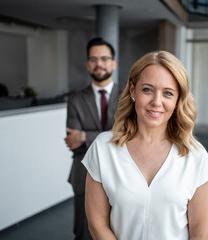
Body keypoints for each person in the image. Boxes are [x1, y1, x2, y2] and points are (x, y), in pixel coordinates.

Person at [81, 50, 208, 240]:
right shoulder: (103, 148)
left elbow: (200, 234)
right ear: (132, 90)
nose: (156, 102)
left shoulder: (196, 157)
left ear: (178, 100)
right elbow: (97, 225)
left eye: (168, 93)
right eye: (147, 90)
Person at [65, 37, 121, 240]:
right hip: (84, 174)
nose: (99, 63)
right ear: (88, 64)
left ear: (113, 63)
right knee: (84, 233)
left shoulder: (128, 97)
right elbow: (73, 143)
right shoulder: (75, 99)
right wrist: (113, 136)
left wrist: (85, 136)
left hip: (121, 174)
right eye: (94, 59)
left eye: (105, 58)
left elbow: (129, 137)